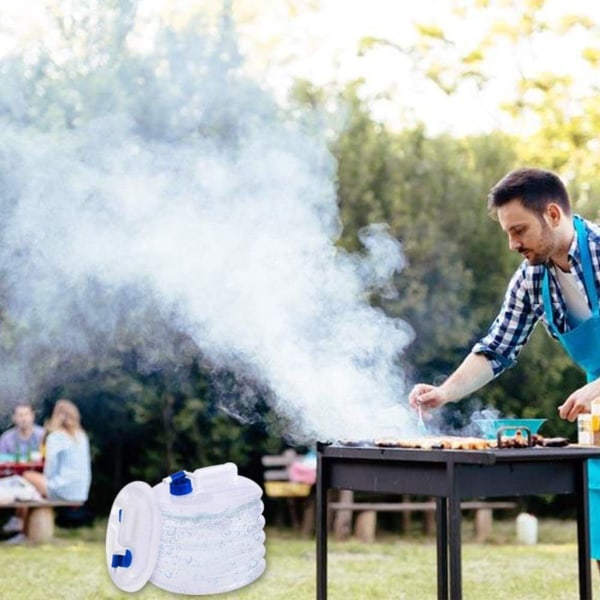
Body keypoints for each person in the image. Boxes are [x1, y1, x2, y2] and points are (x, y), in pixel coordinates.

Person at [408, 167, 600, 569]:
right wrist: (444, 393)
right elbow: (496, 348)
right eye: (508, 234)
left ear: (552, 214)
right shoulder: (531, 278)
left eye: (519, 230)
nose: (513, 244)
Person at [7, 399, 92, 543]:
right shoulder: (81, 436)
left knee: (27, 475)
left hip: (61, 488)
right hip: (81, 491)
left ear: (57, 416)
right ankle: (23, 530)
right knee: (34, 485)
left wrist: (42, 482)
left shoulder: (56, 436)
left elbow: (50, 470)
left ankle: (20, 524)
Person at [0, 402, 45, 536]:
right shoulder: (6, 438)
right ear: (14, 418)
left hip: (39, 482)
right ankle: (19, 526)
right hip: (11, 481)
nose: (23, 418)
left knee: (27, 485)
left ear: (32, 416)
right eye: (20, 415)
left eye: (26, 414)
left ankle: (20, 526)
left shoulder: (42, 435)